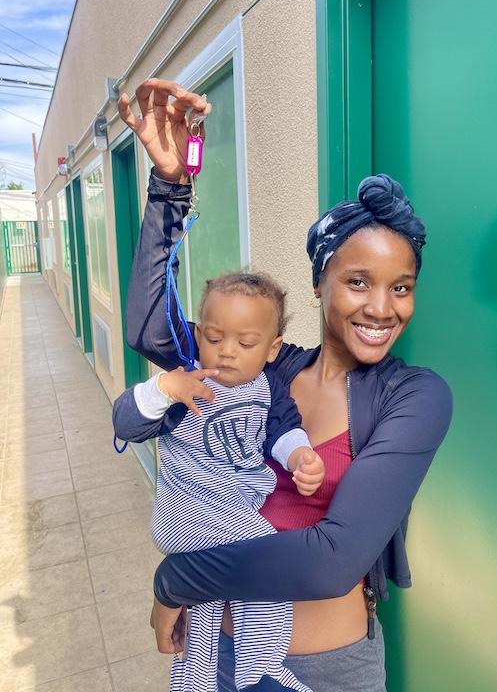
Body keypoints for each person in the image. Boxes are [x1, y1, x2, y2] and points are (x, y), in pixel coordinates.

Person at [118, 78, 453, 692]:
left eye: (401, 287)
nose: (382, 307)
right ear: (320, 283)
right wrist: (169, 190)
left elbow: (331, 561)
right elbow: (148, 330)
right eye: (359, 282)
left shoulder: (414, 398)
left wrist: (175, 581)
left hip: (324, 672)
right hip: (214, 653)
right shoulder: (267, 364)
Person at [113, 274, 325, 690]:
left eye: (245, 343)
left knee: (207, 604)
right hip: (186, 511)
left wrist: (300, 457)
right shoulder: (189, 386)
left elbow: (283, 430)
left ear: (272, 349)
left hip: (229, 513)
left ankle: (195, 681)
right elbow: (124, 422)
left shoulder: (269, 388)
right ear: (198, 335)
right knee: (266, 554)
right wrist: (162, 388)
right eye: (213, 338)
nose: (227, 352)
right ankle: (261, 668)